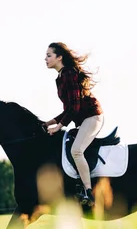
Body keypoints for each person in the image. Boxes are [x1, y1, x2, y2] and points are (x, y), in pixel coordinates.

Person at [43, 42, 104, 207]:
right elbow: (69, 109)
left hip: (92, 117)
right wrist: (48, 122)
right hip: (83, 119)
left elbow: (75, 107)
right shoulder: (61, 77)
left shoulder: (69, 74)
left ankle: (88, 192)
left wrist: (59, 126)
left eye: (49, 55)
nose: (45, 59)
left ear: (59, 57)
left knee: (76, 151)